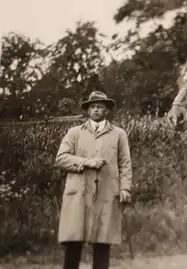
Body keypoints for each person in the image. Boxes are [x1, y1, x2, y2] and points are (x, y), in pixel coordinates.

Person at [54, 91, 133, 269]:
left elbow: (125, 163)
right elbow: (61, 158)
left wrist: (125, 188)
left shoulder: (119, 134)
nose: (96, 110)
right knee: (74, 242)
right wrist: (86, 162)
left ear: (107, 111)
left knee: (102, 243)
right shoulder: (74, 133)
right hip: (79, 194)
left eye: (100, 107)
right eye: (93, 106)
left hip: (106, 193)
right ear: (88, 110)